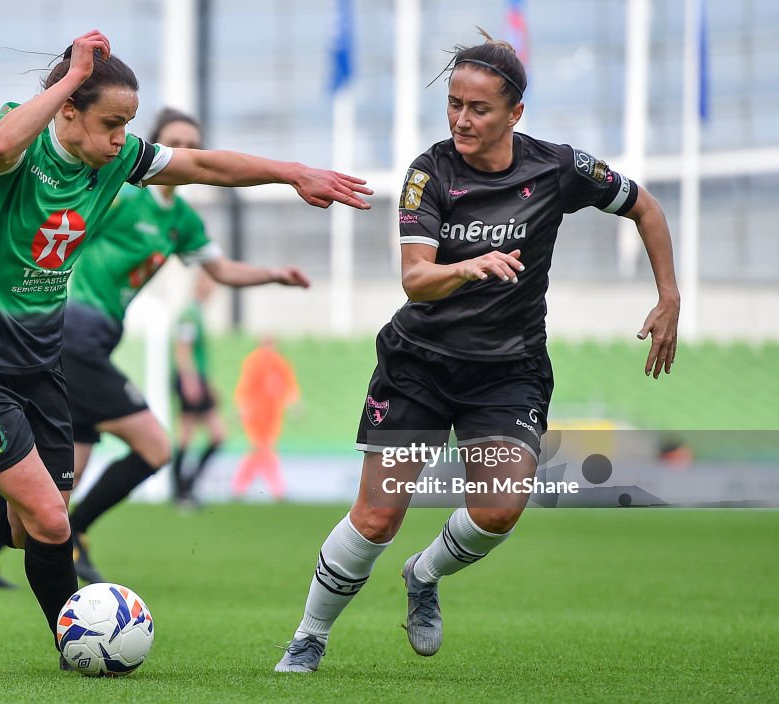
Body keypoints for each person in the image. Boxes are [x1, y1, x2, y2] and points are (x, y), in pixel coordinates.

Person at [0, 29, 371, 671]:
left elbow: (201, 166)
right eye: (111, 123)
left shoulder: (115, 161)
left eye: (128, 125)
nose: (122, 138)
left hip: (40, 367)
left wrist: (292, 173)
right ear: (68, 111)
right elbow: (4, 144)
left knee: (25, 528)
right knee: (51, 521)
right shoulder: (17, 139)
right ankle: (79, 650)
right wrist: (67, 79)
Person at [274, 30, 679, 673]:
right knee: (377, 517)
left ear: (515, 113)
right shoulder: (428, 172)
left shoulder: (559, 167)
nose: (462, 119)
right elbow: (414, 278)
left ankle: (424, 575)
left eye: (479, 108)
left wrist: (669, 297)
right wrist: (470, 267)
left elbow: (646, 208)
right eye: (454, 105)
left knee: (500, 507)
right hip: (420, 365)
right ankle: (309, 635)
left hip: (508, 371)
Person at [0, 107, 313, 586]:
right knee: (155, 446)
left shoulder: (182, 220)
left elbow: (221, 271)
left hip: (92, 342)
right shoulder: (119, 195)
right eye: (176, 141)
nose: (186, 150)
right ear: (158, 146)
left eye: (193, 142)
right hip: (70, 334)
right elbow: (57, 228)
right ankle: (74, 535)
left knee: (63, 478)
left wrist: (274, 275)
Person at [170, 270, 227, 507]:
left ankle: (186, 487)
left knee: (212, 435)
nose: (212, 288)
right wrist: (191, 382)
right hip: (189, 379)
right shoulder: (190, 314)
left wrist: (208, 384)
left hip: (196, 379)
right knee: (192, 435)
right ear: (200, 284)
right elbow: (182, 349)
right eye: (209, 282)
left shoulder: (196, 313)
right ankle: (181, 490)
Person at [232, 337, 301, 501]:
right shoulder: (254, 362)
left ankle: (240, 487)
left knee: (261, 450)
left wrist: (293, 403)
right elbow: (245, 387)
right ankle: (276, 489)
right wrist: (242, 408)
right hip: (256, 414)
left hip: (272, 414)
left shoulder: (279, 362)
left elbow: (288, 385)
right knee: (262, 449)